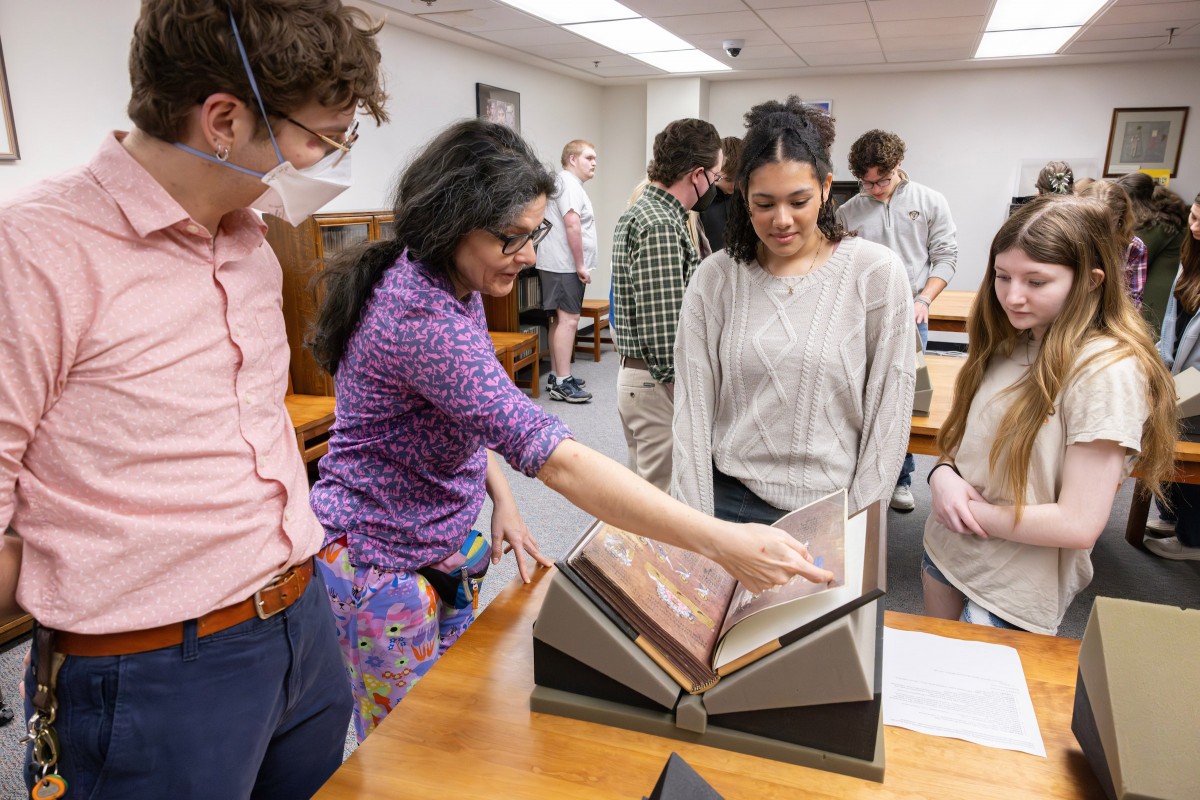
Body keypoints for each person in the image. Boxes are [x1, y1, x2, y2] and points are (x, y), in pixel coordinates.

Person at [306, 118, 832, 742]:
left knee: (454, 717)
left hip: (433, 544)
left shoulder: (447, 280)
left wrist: (500, 497)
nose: (529, 256)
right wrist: (720, 541)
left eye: (535, 234)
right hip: (380, 562)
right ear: (451, 224)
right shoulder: (422, 320)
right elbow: (555, 459)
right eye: (512, 238)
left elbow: (463, 409)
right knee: (408, 747)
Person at [0, 1, 388, 797]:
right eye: (322, 138)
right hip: (155, 671)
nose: (328, 160)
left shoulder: (250, 240)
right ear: (224, 121)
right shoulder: (35, 251)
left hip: (301, 623)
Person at [922, 194, 1175, 633]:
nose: (1013, 296)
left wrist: (968, 513)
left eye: (1036, 282)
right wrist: (941, 476)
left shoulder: (1106, 370)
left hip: (1011, 584)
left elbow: (1078, 523)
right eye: (1002, 276)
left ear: (1091, 281)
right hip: (949, 551)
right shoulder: (1013, 338)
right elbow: (964, 445)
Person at [673, 97, 915, 523]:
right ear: (743, 196)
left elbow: (890, 414)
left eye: (798, 201)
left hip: (830, 506)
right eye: (764, 204)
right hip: (729, 501)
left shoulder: (875, 273)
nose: (781, 220)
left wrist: (858, 524)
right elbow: (691, 411)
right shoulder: (716, 278)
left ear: (825, 187)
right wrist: (694, 526)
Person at [837, 129, 958, 513]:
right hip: (861, 319)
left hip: (911, 315)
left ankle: (901, 480)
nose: (874, 189)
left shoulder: (929, 201)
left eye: (882, 180)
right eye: (866, 182)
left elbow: (946, 257)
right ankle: (857, 476)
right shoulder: (848, 212)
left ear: (898, 166)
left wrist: (924, 299)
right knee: (858, 399)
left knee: (903, 400)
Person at [611, 118, 724, 492]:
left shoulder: (646, 211)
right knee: (661, 500)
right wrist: (686, 393)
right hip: (656, 384)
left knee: (643, 495)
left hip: (640, 380)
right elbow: (664, 335)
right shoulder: (661, 223)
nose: (714, 186)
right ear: (697, 175)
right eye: (715, 176)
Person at [1145, 191, 1200, 559]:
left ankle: (1192, 538)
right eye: (1193, 217)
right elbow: (1172, 318)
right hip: (1179, 368)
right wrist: (1159, 359)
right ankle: (1171, 515)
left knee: (1188, 447)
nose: (1195, 228)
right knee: (1166, 435)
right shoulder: (1190, 256)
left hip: (1197, 377)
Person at [538, 139, 598, 403]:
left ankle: (556, 376)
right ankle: (563, 381)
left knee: (560, 320)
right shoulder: (569, 184)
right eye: (589, 158)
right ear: (572, 159)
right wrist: (580, 265)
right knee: (569, 321)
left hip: (560, 264)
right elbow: (572, 224)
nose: (594, 163)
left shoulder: (566, 183)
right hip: (565, 265)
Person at [1116, 171, 1189, 328]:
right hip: (1168, 295)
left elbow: (1128, 260)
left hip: (1156, 303)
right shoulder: (1165, 218)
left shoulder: (1154, 226)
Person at [1078, 180, 1147, 308]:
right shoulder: (1072, 241)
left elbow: (1134, 300)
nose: (1099, 231)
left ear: (1121, 218)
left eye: (1109, 223)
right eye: (1092, 222)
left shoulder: (1133, 247)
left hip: (1114, 314)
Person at [699, 135, 743, 252]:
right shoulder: (701, 201)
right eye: (728, 179)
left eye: (738, 180)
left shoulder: (746, 199)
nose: (734, 185)